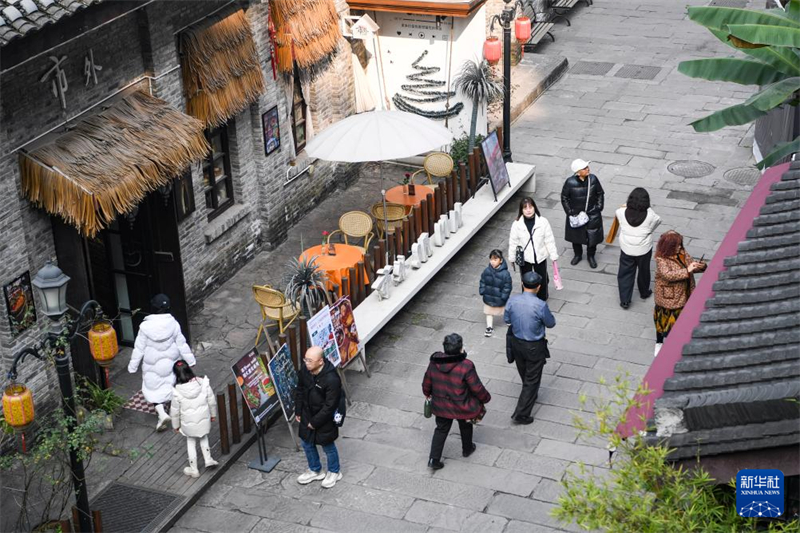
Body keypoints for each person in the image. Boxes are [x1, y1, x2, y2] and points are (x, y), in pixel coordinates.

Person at [422, 333, 491, 470]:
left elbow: (426, 382)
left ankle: (433, 459)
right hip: (462, 405)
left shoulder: (434, 362)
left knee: (441, 429)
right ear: (460, 348)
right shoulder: (466, 365)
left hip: (441, 405)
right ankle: (467, 449)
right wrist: (485, 398)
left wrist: (427, 393)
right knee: (465, 425)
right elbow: (476, 387)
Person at [128, 294, 196, 431]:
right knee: (171, 386)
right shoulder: (173, 324)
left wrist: (132, 367)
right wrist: (191, 360)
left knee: (153, 390)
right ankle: (172, 412)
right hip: (170, 363)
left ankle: (161, 413)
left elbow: (139, 349)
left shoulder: (145, 327)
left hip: (152, 365)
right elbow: (182, 344)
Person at [504, 272, 556, 424]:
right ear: (538, 287)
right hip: (534, 345)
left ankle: (530, 393)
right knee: (532, 379)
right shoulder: (540, 305)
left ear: (522, 284)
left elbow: (507, 319)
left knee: (524, 371)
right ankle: (521, 413)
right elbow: (550, 323)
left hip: (516, 342)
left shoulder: (513, 301)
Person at [295, 346, 343, 488]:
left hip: (323, 419)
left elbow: (330, 406)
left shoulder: (332, 379)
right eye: (305, 360)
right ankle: (315, 469)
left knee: (327, 444)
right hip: (307, 413)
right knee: (306, 442)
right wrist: (298, 410)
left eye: (310, 361)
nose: (306, 363)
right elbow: (300, 390)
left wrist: (314, 422)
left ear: (320, 361)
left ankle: (334, 471)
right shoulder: (305, 370)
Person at [653, 231, 706, 357]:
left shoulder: (682, 253)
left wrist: (700, 266)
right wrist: (688, 270)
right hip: (669, 297)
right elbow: (668, 275)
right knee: (662, 322)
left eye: (680, 245)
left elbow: (691, 265)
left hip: (686, 292)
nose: (680, 247)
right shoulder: (661, 259)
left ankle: (678, 341)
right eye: (677, 245)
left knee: (682, 320)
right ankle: (659, 342)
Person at [170, 361, 218, 478]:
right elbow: (212, 402)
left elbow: (174, 412)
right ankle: (208, 459)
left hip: (188, 424)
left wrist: (176, 426)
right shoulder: (203, 383)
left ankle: (194, 469)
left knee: (191, 442)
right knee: (203, 436)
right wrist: (213, 414)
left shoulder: (177, 392)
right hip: (203, 419)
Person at [616, 188, 662, 309]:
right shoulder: (651, 216)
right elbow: (657, 221)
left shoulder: (621, 212)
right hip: (643, 248)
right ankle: (644, 292)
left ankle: (625, 300)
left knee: (625, 273)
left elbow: (619, 212)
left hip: (626, 247)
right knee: (644, 271)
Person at [507, 197, 559, 301]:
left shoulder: (543, 222)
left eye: (530, 207)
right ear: (521, 210)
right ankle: (527, 299)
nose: (528, 210)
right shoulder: (517, 224)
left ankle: (542, 298)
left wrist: (553, 255)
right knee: (525, 279)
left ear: (534, 207)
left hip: (540, 255)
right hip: (525, 257)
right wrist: (512, 258)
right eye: (525, 208)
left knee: (542, 278)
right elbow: (513, 242)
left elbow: (549, 239)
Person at [561, 159, 605, 269]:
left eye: (587, 167)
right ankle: (578, 255)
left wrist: (599, 207)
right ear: (578, 172)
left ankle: (591, 256)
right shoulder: (570, 182)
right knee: (576, 236)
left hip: (592, 213)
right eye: (584, 168)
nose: (588, 169)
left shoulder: (593, 179)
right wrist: (570, 211)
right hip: (576, 214)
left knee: (592, 236)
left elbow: (600, 193)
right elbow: (564, 197)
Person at [479, 249, 513, 337]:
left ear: (500, 260)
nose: (492, 262)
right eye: (491, 259)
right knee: (488, 312)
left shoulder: (505, 274)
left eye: (495, 259)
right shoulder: (487, 271)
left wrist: (504, 296)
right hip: (489, 296)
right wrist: (482, 290)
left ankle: (508, 320)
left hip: (500, 297)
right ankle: (489, 327)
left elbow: (507, 286)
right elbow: (482, 281)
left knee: (504, 310)